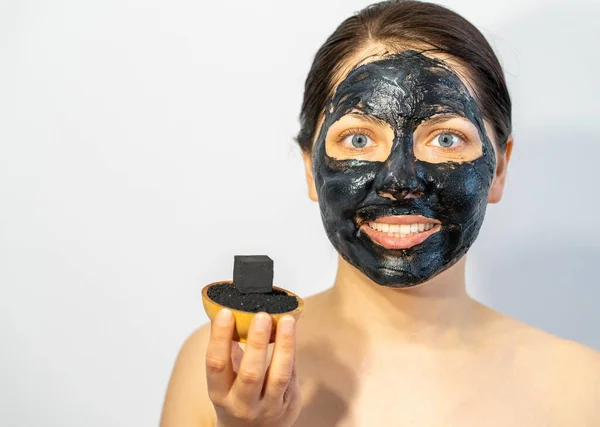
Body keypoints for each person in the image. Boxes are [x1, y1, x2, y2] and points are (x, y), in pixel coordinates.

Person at [160, 1, 600, 426]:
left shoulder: (583, 390)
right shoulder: (229, 372)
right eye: (358, 140)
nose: (398, 182)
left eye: (446, 139)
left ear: (499, 169)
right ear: (310, 169)